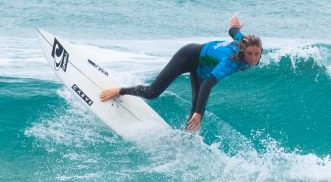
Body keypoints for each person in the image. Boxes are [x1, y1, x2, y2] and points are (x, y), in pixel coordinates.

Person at [100, 16, 263, 132]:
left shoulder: (243, 41)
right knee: (153, 92)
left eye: (257, 54)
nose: (253, 58)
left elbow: (234, 31)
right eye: (250, 54)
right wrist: (199, 113)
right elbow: (208, 84)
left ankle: (185, 139)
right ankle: (119, 90)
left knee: (195, 115)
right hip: (188, 56)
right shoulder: (230, 62)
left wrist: (235, 26)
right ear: (243, 51)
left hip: (201, 68)